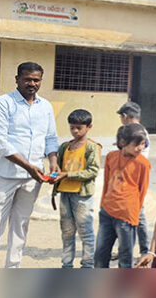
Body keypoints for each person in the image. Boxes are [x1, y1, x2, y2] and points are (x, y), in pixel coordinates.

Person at [0, 62, 59, 268]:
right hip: (5, 175)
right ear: (17, 79)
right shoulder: (3, 103)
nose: (32, 83)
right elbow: (0, 142)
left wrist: (53, 162)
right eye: (27, 79)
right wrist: (29, 167)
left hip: (33, 178)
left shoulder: (46, 106)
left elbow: (50, 137)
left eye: (36, 80)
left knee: (20, 226)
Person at [94, 124, 150, 268]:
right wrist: (102, 205)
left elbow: (142, 191)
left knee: (125, 257)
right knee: (100, 254)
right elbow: (106, 182)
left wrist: (135, 215)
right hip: (107, 212)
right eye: (137, 144)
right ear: (123, 142)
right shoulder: (111, 157)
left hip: (126, 215)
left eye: (143, 144)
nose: (141, 148)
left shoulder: (143, 164)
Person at [51, 109, 101, 268]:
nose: (75, 131)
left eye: (79, 128)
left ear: (89, 127)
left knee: (85, 232)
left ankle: (87, 265)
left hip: (82, 195)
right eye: (72, 127)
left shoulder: (92, 147)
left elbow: (92, 171)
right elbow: (58, 168)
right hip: (65, 194)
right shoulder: (65, 146)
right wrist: (54, 176)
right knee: (66, 232)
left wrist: (67, 175)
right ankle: (67, 265)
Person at [116, 101, 150, 258]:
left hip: (134, 178)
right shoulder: (134, 131)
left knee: (138, 215)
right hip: (127, 178)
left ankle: (144, 249)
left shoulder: (137, 132)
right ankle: (125, 248)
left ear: (125, 116)